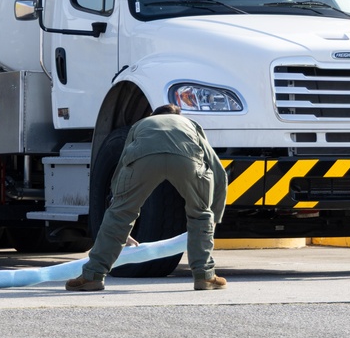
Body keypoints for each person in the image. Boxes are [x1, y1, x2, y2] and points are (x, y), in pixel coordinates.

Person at [66, 104, 228, 292]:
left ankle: (92, 276)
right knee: (200, 215)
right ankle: (204, 277)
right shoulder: (189, 124)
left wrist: (119, 214)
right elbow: (218, 171)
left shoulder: (141, 124)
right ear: (177, 115)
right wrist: (214, 217)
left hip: (144, 157)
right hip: (186, 158)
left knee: (120, 214)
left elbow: (123, 164)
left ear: (153, 115)